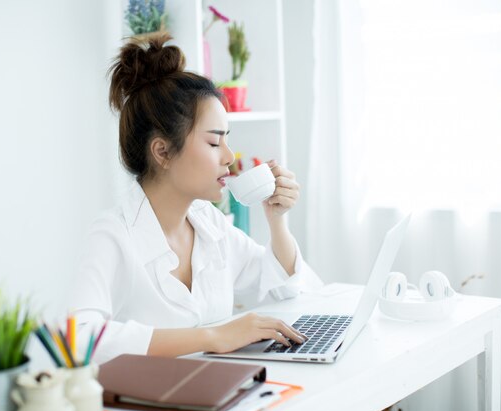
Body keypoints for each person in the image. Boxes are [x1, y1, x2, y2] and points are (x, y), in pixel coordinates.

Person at [70, 34, 321, 364]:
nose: (229, 157)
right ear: (162, 151)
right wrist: (213, 337)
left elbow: (283, 289)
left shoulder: (209, 223)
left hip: (215, 395)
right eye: (215, 143)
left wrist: (277, 220)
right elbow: (78, 338)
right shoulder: (114, 234)